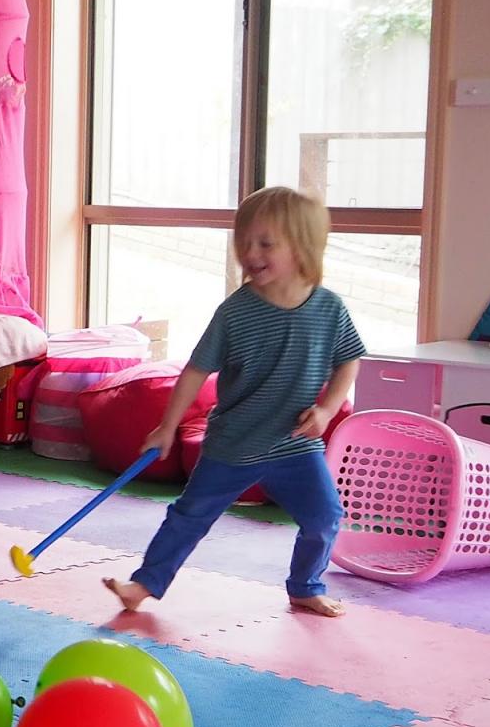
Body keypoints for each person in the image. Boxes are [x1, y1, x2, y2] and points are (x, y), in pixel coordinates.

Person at [103, 186, 365, 617]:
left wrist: (327, 408)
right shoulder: (236, 313)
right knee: (189, 516)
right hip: (233, 444)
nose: (250, 252)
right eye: (243, 242)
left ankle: (305, 586)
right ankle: (144, 585)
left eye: (265, 243)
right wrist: (167, 426)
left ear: (302, 247)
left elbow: (348, 362)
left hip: (294, 446)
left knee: (324, 517)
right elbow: (195, 371)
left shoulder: (329, 309)